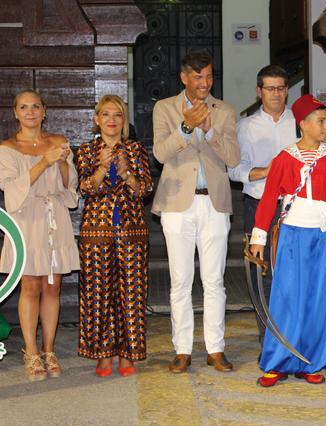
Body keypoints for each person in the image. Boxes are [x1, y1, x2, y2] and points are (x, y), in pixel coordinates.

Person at [249, 94, 326, 387]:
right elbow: (268, 199)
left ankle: (311, 360)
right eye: (320, 121)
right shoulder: (284, 158)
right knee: (287, 297)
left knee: (319, 299)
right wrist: (259, 236)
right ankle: (279, 361)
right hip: (292, 236)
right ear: (302, 124)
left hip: (322, 237)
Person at [152, 50, 240, 373]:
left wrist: (210, 130)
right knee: (180, 280)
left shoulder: (225, 111)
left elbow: (232, 157)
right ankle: (182, 349)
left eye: (209, 76)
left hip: (214, 202)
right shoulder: (165, 108)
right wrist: (186, 129)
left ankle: (215, 349)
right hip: (177, 204)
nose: (205, 83)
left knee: (214, 280)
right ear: (184, 77)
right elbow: (160, 153)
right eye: (199, 76)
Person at [0, 89, 79, 380]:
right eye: (24, 107)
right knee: (31, 285)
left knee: (53, 286)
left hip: (54, 216)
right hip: (26, 219)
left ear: (44, 110)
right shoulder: (7, 147)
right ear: (15, 112)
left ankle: (49, 349)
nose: (30, 111)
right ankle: (31, 352)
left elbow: (70, 189)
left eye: (35, 106)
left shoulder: (58, 142)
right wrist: (43, 162)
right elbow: (12, 190)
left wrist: (60, 163)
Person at [76, 95, 153, 376]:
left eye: (117, 115)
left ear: (124, 120)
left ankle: (129, 353)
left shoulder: (135, 149)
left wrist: (126, 174)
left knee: (132, 293)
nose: (111, 120)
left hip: (131, 231)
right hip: (96, 232)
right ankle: (103, 354)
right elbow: (85, 189)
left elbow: (145, 190)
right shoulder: (86, 150)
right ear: (97, 120)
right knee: (98, 293)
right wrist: (99, 169)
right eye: (106, 114)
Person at [228, 64, 296, 347]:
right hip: (259, 206)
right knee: (262, 273)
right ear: (259, 92)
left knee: (292, 273)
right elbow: (234, 170)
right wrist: (268, 171)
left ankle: (293, 337)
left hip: (296, 207)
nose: (276, 94)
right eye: (270, 89)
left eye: (281, 88)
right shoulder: (245, 126)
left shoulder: (300, 122)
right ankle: (268, 339)